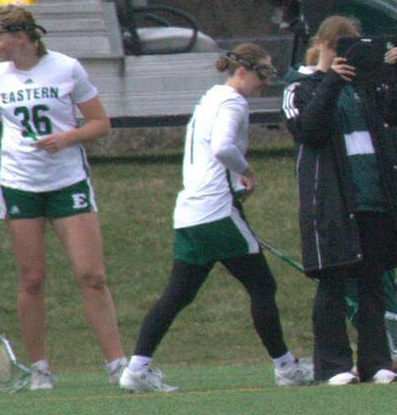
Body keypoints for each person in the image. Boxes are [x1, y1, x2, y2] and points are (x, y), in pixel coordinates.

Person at [0, 3, 127, 389]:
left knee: (91, 275)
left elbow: (101, 123)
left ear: (22, 37)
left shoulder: (67, 68)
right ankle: (39, 368)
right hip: (20, 184)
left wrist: (66, 138)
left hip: (67, 181)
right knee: (32, 278)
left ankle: (118, 364)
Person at [120, 44, 313, 392]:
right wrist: (247, 171)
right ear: (243, 70)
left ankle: (136, 369)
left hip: (190, 212)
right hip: (216, 211)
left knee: (178, 294)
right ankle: (286, 368)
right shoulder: (233, 103)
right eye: (262, 74)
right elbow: (223, 147)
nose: (264, 83)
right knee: (262, 285)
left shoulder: (210, 97)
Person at [282, 14, 397, 384]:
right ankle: (333, 365)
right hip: (331, 201)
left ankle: (376, 362)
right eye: (338, 47)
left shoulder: (366, 87)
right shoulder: (301, 86)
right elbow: (308, 128)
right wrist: (330, 80)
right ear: (323, 47)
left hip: (373, 195)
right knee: (333, 283)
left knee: (373, 282)